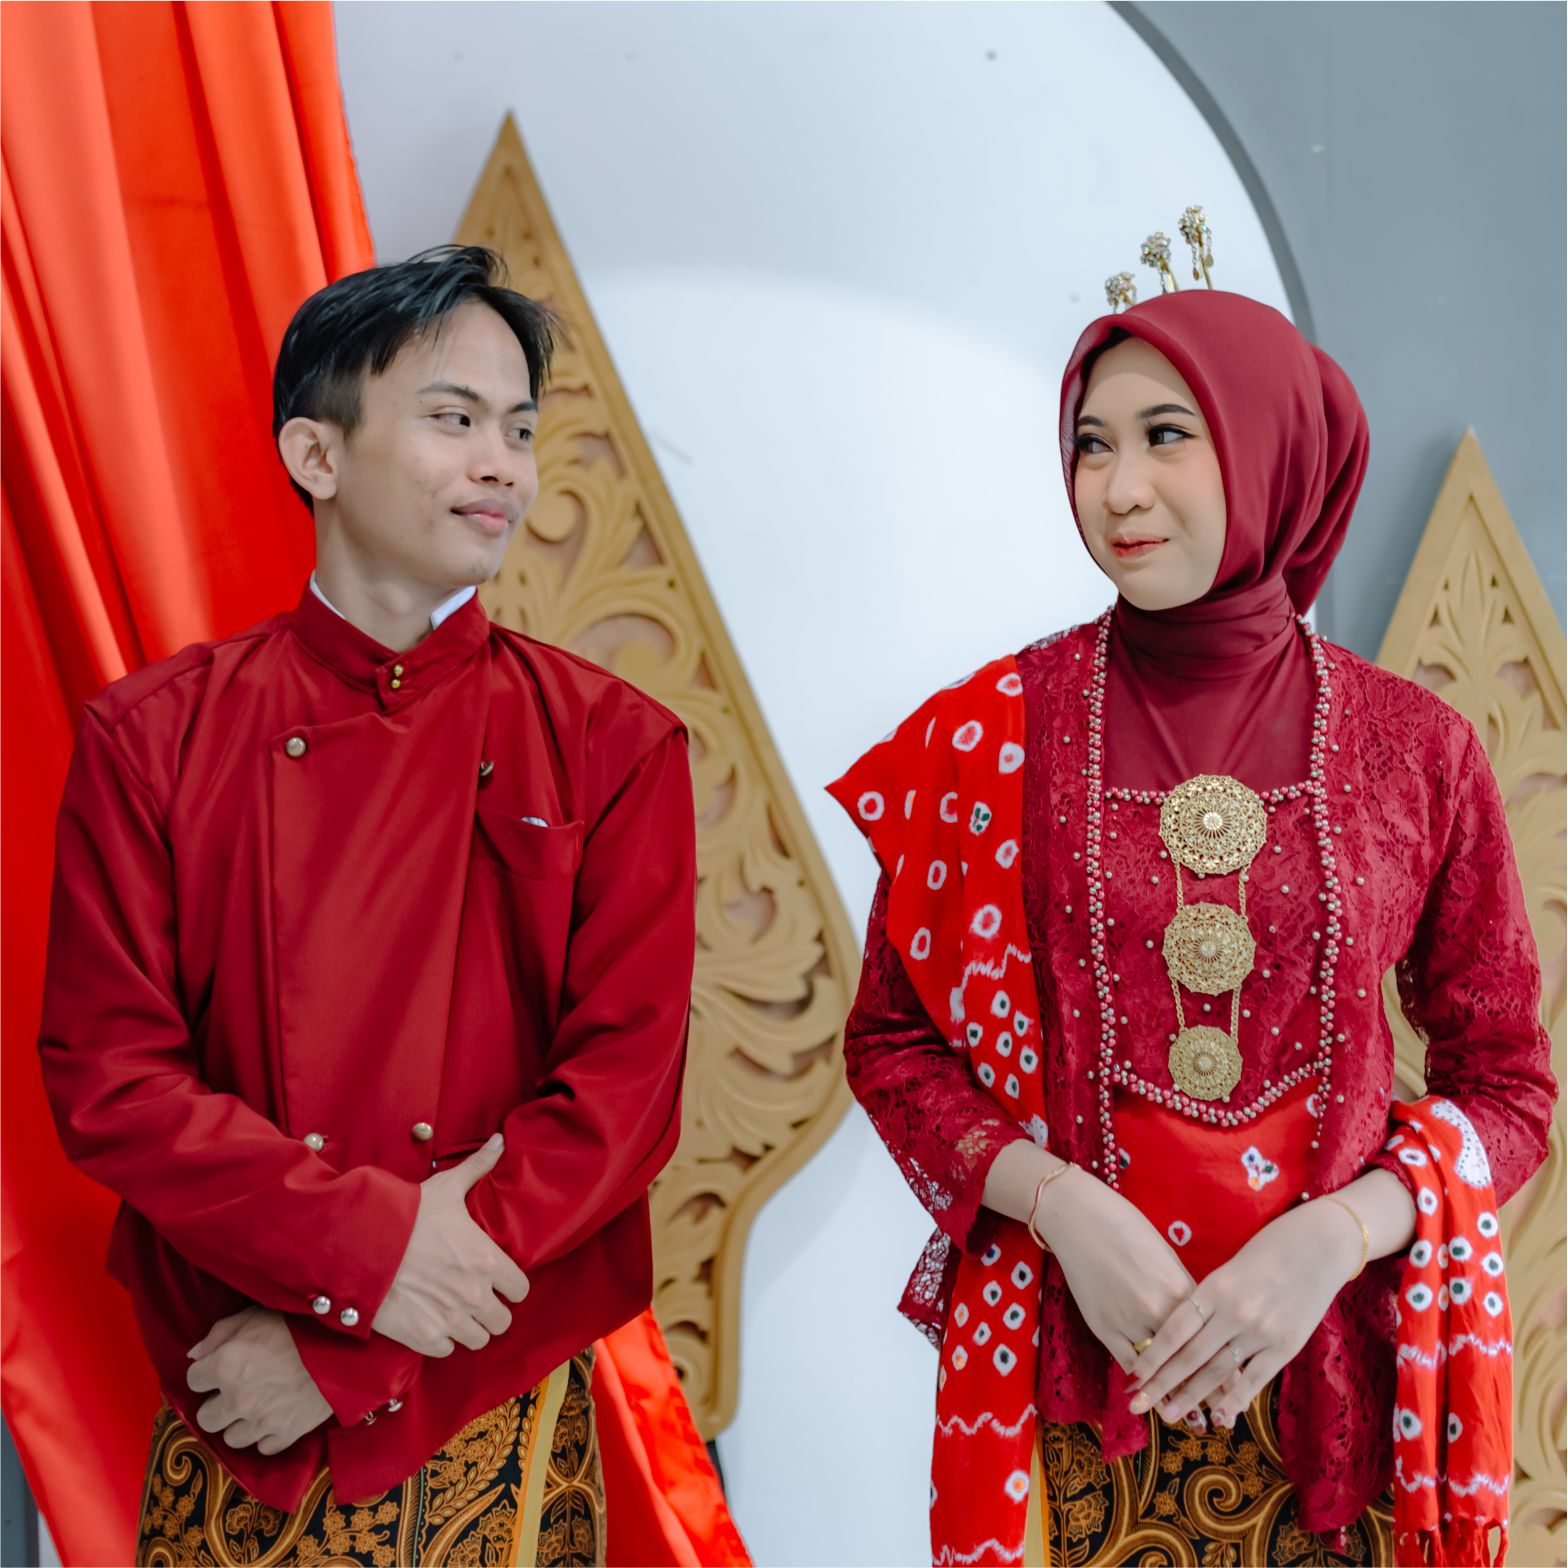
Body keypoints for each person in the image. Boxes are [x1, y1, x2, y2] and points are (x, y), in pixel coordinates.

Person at [829, 287, 1555, 1567]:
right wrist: (1062, 1208)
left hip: (1337, 1377)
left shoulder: (1415, 748)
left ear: (1270, 447)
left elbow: (1506, 1088)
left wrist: (1334, 1236)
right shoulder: (988, 733)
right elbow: (891, 1043)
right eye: (1088, 444)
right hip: (1064, 1376)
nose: (1117, 488)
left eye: (1166, 435)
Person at [37, 245, 697, 1567]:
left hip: (490, 1388)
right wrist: (369, 1253)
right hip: (238, 1391)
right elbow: (113, 1078)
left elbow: (620, 1099)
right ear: (317, 453)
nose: (501, 465)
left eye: (519, 429)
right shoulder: (153, 737)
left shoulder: (612, 743)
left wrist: (345, 1350)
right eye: (454, 420)